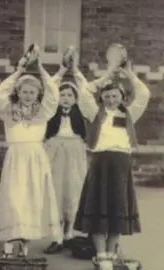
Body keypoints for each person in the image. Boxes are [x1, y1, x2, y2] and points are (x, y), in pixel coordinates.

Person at [72, 58, 150, 269]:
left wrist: (129, 75)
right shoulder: (94, 113)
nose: (111, 100)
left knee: (117, 209)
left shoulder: (129, 115)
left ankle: (112, 251)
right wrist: (107, 76)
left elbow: (144, 94)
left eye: (115, 96)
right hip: (100, 164)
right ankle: (101, 254)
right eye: (106, 97)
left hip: (121, 165)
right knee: (98, 209)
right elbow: (85, 91)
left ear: (123, 97)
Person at [0, 46, 62, 257]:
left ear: (37, 94)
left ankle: (24, 243)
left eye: (32, 92)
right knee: (14, 199)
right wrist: (19, 71)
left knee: (32, 199)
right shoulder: (8, 111)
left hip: (35, 159)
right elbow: (1, 92)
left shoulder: (43, 111)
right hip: (16, 158)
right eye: (24, 91)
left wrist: (39, 67)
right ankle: (9, 242)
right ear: (19, 92)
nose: (28, 95)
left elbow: (53, 93)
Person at [43, 52, 88, 254]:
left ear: (75, 99)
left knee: (73, 191)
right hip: (54, 150)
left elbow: (86, 89)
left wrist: (75, 70)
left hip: (75, 152)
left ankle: (69, 233)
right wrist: (62, 70)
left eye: (70, 95)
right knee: (55, 192)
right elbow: (49, 87)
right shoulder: (50, 111)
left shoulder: (82, 114)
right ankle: (56, 236)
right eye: (63, 95)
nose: (66, 99)